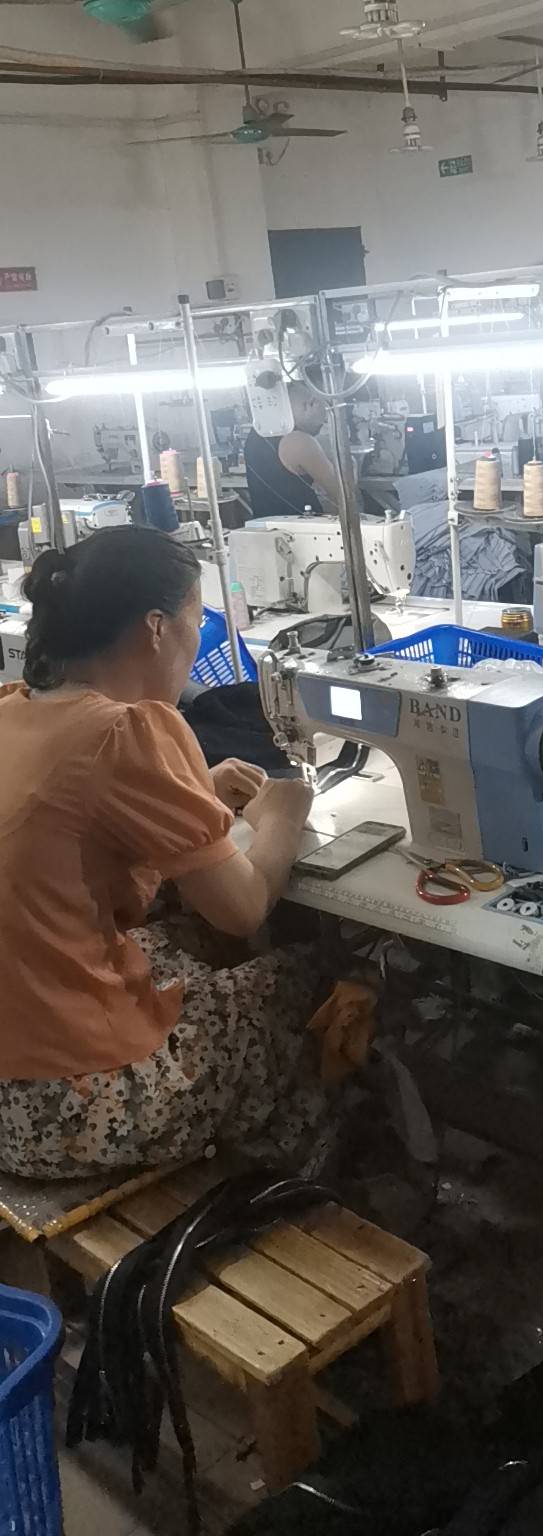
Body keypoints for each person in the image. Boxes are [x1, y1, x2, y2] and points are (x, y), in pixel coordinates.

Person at [0, 527, 336, 1180]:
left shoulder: (14, 709)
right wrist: (284, 815)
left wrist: (194, 795)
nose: (197, 640)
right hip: (74, 1107)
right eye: (197, 620)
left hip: (9, 1091)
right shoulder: (129, 730)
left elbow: (71, 823)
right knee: (313, 975)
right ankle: (291, 1179)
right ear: (156, 628)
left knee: (178, 941)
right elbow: (242, 909)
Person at [245, 379, 341, 518]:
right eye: (325, 415)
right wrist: (351, 465)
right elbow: (342, 494)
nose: (323, 422)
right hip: (301, 528)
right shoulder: (298, 441)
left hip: (264, 525)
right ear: (312, 403)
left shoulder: (257, 433)